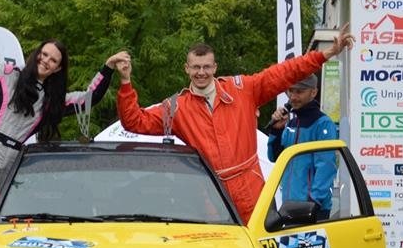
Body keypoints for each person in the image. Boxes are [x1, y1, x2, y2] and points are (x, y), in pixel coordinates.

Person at [116, 24, 354, 223]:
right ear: (187, 69)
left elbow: (285, 73)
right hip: (210, 200)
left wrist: (326, 54)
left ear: (215, 67)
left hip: (253, 195)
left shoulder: (242, 90)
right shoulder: (176, 108)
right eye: (196, 67)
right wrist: (126, 82)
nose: (201, 72)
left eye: (206, 66)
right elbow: (135, 122)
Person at [0, 6, 130, 220]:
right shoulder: (6, 75)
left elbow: (89, 98)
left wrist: (108, 67)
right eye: (44, 54)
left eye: (53, 60)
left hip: (11, 163)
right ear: (37, 54)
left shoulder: (50, 102)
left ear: (58, 69)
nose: (46, 61)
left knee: (8, 222)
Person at [266, 74, 338, 220]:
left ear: (313, 92)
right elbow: (274, 157)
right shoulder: (292, 123)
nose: (293, 97)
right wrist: (276, 131)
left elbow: (326, 167)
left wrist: (313, 202)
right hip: (289, 206)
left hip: (312, 208)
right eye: (290, 91)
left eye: (299, 92)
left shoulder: (323, 124)